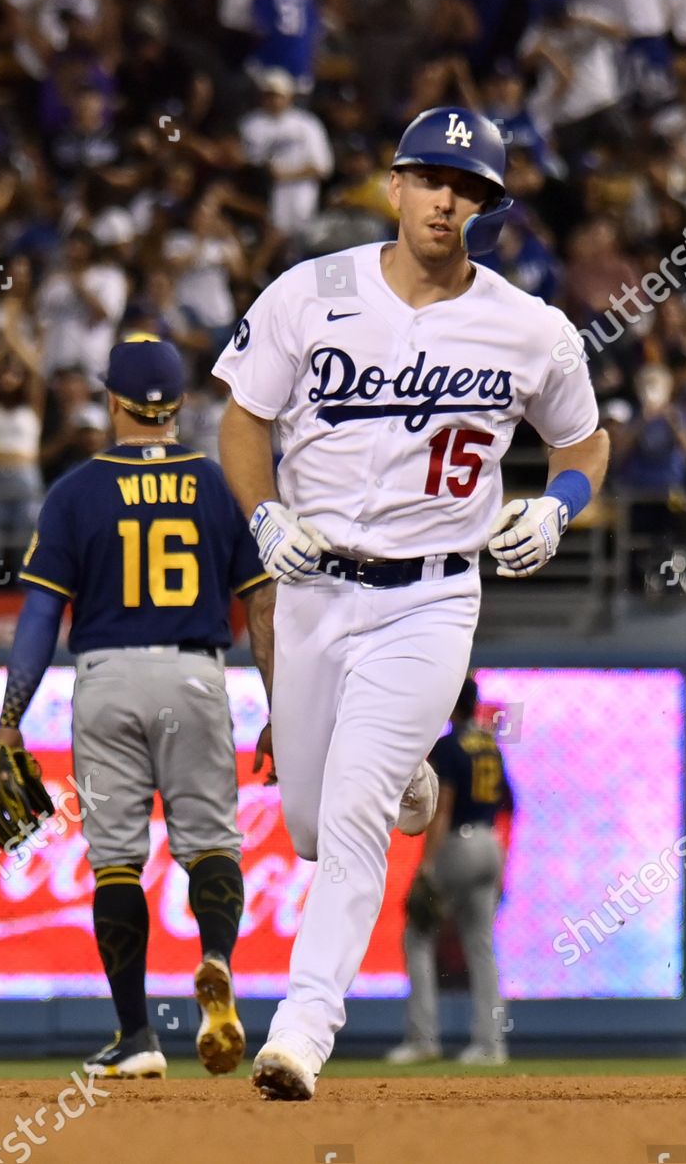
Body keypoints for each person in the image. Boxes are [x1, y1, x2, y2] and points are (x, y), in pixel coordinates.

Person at [214, 106, 608, 1100]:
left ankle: (302, 1031)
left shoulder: (529, 325)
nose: (448, 200)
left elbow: (586, 441)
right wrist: (261, 517)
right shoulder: (312, 291)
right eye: (433, 177)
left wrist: (560, 506)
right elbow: (242, 421)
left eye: (470, 188)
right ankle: (413, 792)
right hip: (309, 584)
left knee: (347, 817)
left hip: (431, 599)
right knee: (307, 818)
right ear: (392, 183)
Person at [0, 336, 277, 1080]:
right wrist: (281, 704)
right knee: (211, 843)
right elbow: (263, 604)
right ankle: (213, 957)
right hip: (195, 674)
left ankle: (137, 1035)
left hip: (107, 678)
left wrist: (11, 716)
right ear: (176, 404)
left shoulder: (77, 490)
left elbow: (41, 615)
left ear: (112, 399)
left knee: (115, 860)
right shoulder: (214, 484)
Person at [387, 676, 512, 1067]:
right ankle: (491, 1044)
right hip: (491, 843)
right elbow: (509, 805)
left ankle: (423, 1039)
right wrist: (502, 862)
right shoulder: (490, 744)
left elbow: (442, 809)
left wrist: (426, 866)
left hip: (458, 844)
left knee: (418, 936)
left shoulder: (449, 745)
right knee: (481, 946)